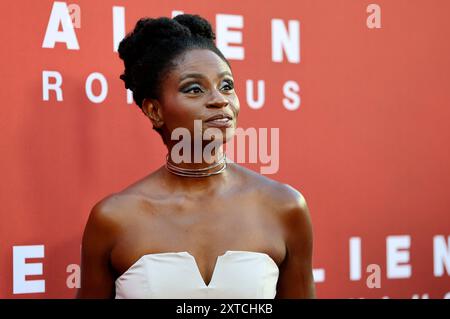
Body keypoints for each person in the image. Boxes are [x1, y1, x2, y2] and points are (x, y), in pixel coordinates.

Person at [76, 13, 315, 299]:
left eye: (226, 86)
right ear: (154, 110)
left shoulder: (285, 207)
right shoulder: (114, 219)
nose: (219, 99)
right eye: (194, 89)